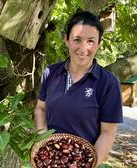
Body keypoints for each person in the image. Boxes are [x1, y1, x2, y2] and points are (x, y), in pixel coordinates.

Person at [34, 10, 123, 167]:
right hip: (50, 159)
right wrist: (43, 142)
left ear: (99, 44)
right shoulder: (50, 73)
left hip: (83, 160)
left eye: (90, 41)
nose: (83, 49)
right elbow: (41, 109)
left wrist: (88, 164)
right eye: (77, 40)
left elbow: (107, 133)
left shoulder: (109, 84)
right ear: (66, 40)